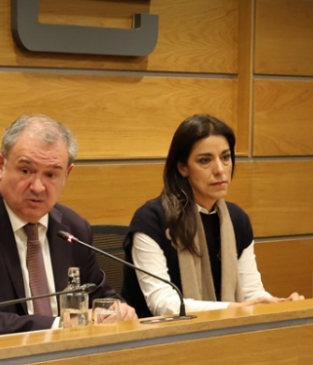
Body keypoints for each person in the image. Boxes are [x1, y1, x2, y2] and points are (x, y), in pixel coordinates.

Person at [0, 115, 136, 344]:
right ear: (0, 166)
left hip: (69, 358)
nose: (37, 187)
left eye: (51, 175)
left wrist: (117, 309)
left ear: (66, 175)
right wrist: (60, 325)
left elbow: (98, 294)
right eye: (26, 171)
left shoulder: (74, 228)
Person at [123, 115, 302, 318]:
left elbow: (251, 292)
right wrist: (232, 309)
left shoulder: (237, 219)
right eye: (205, 160)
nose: (220, 170)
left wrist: (278, 304)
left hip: (225, 331)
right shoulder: (151, 220)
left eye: (225, 158)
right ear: (183, 168)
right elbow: (164, 303)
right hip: (158, 334)